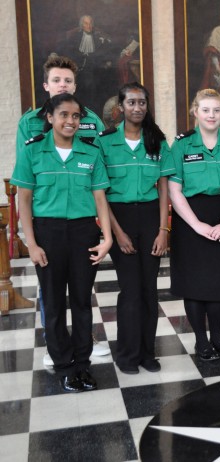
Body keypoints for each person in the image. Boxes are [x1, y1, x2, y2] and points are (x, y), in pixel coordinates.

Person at [11, 93, 113, 392]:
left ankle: (82, 364)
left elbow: (100, 198)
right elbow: (25, 201)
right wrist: (30, 243)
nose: (71, 121)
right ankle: (64, 366)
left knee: (82, 301)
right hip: (48, 234)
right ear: (50, 118)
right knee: (54, 303)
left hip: (84, 233)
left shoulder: (91, 153)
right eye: (64, 115)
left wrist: (106, 238)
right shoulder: (34, 152)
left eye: (76, 116)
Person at [98, 82, 175, 374]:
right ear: (121, 107)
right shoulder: (105, 143)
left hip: (150, 217)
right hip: (119, 218)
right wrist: (116, 233)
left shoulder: (157, 140)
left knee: (149, 289)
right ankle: (127, 355)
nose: (137, 108)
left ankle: (147, 353)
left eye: (142, 102)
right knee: (130, 290)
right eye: (131, 103)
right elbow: (100, 193)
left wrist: (163, 230)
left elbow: (164, 187)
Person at [169, 89, 220, 362]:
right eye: (205, 110)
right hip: (190, 219)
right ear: (195, 112)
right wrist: (197, 225)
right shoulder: (183, 145)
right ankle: (201, 340)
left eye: (216, 110)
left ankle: (218, 337)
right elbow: (175, 190)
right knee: (195, 283)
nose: (211, 115)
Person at [60, 15, 115, 112]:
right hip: (79, 69)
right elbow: (69, 53)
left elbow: (104, 53)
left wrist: (103, 62)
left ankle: (94, 110)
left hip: (95, 69)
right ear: (82, 25)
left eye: (90, 23)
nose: (88, 26)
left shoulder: (99, 37)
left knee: (96, 86)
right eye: (86, 23)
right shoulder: (75, 38)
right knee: (81, 87)